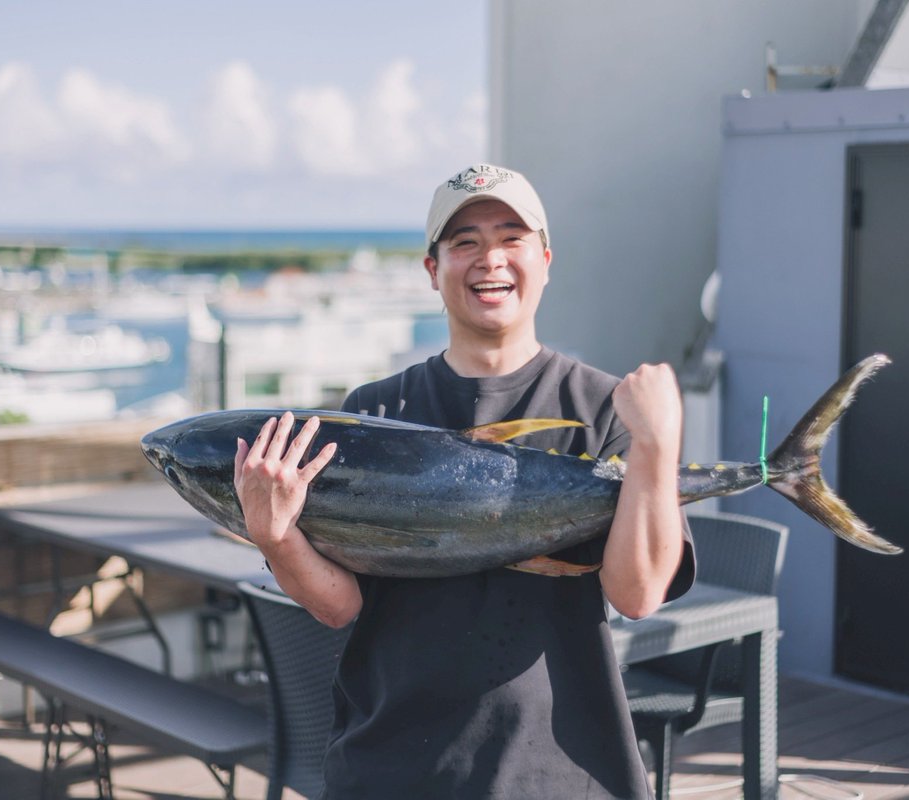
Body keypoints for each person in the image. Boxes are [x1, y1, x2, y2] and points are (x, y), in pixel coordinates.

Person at [234, 163, 695, 799]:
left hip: (559, 771)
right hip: (392, 768)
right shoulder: (371, 413)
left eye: (512, 237)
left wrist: (658, 445)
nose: (491, 259)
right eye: (465, 243)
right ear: (433, 269)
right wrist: (275, 535)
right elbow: (338, 605)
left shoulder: (606, 408)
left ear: (545, 258)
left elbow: (637, 594)